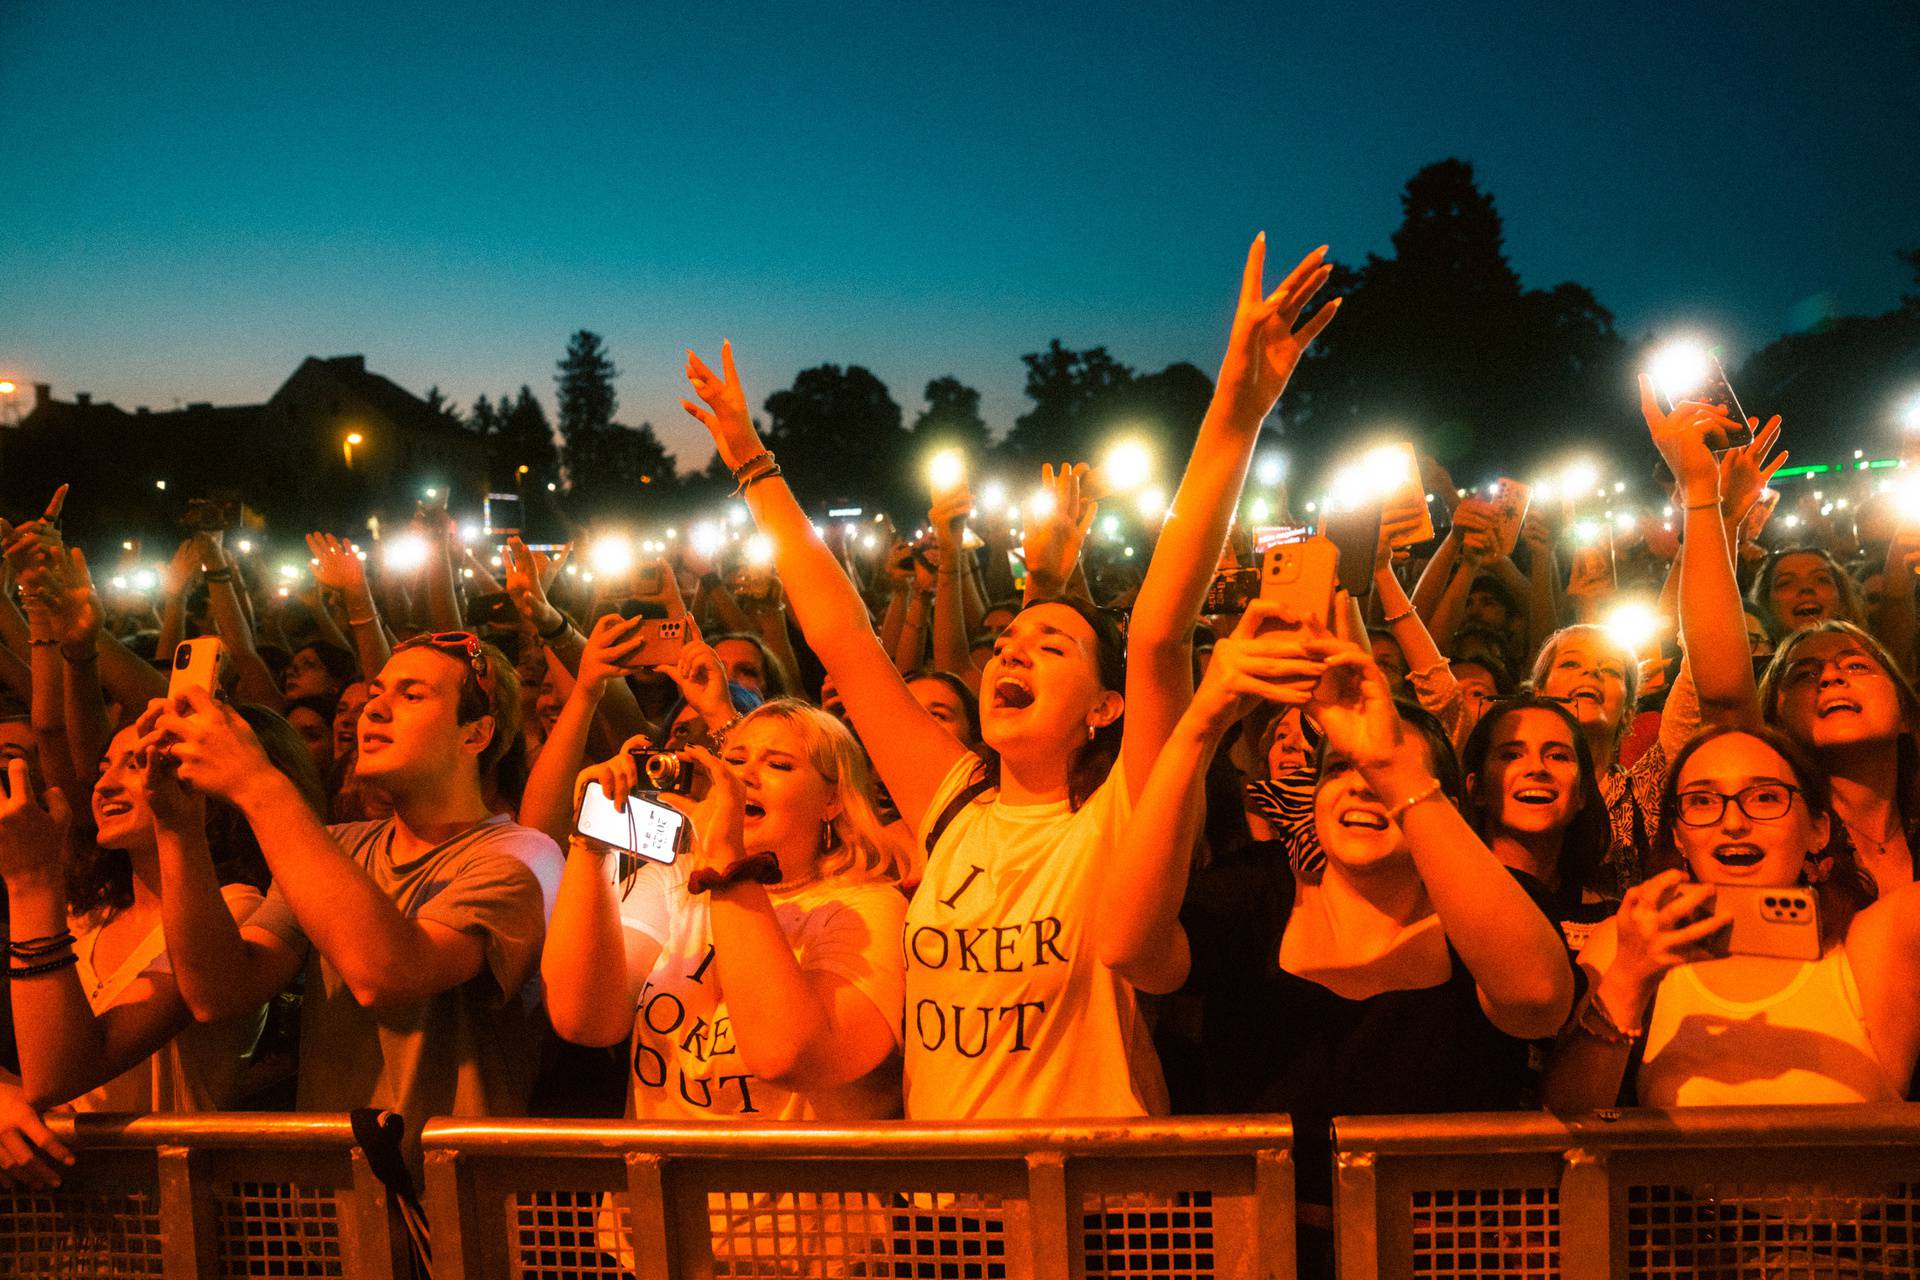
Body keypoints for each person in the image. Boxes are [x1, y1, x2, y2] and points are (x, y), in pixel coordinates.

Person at [680, 235, 1340, 1118]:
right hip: (951, 1213)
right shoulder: (950, 803)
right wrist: (751, 462)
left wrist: (1236, 413)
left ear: (1106, 709)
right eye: (1011, 642)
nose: (1014, 652)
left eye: (1053, 645)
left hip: (1093, 1211)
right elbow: (842, 636)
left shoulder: (1124, 809)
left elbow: (1156, 633)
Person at [1166, 620, 1573, 1274]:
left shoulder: (1499, 902)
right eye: (1338, 768)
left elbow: (1537, 998)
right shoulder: (1252, 890)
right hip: (1257, 1255)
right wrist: (1195, 729)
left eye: (1382, 771)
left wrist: (1393, 765)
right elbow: (1130, 947)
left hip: (1449, 1257)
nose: (1362, 784)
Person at [138, 632, 563, 1157]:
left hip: (455, 1202)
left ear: (475, 734)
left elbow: (387, 972)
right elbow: (217, 992)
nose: (373, 709)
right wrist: (177, 827)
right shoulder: (339, 845)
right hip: (332, 1203)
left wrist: (258, 783)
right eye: (376, 693)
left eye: (411, 695)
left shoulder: (524, 854)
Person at [543, 700, 905, 1121]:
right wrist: (590, 840)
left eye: (780, 766)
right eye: (733, 760)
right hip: (660, 1181)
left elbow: (785, 1056)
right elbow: (585, 1020)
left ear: (832, 800)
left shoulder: (869, 907)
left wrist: (727, 862)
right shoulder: (672, 881)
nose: (744, 775)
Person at [1544, 725, 1917, 1110]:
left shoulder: (1872, 942)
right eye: (1702, 801)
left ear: (1818, 830)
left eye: (1766, 797)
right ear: (1677, 835)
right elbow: (1565, 1122)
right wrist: (1628, 982)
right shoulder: (1626, 941)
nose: (1734, 823)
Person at [0, 712, 323, 1115]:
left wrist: (32, 880)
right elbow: (30, 1074)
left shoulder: (236, 908)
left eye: (135, 765)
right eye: (104, 768)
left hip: (169, 1172)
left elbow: (57, 1078)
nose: (104, 785)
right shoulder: (89, 911)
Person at [1758, 621, 1920, 894]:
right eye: (1804, 674)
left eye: (1856, 666)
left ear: (1904, 710)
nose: (1830, 677)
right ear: (1777, 722)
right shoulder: (1771, 836)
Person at [1460, 695, 1612, 948]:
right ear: (1477, 790)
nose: (1537, 768)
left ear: (1582, 793)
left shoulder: (1612, 920)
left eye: (1558, 756)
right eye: (1511, 755)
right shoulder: (1441, 904)